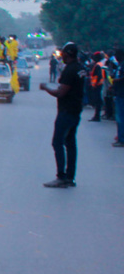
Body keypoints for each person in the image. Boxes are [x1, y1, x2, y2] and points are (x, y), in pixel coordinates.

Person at [40, 42, 86, 188]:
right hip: (76, 110)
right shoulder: (80, 69)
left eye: (63, 54)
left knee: (57, 142)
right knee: (71, 143)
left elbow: (61, 93)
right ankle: (70, 177)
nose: (62, 57)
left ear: (68, 54)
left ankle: (61, 176)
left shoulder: (70, 70)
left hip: (66, 111)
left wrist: (46, 87)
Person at [112, 49, 124, 147]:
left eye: (117, 54)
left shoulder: (123, 65)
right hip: (118, 93)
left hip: (122, 94)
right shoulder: (119, 65)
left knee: (121, 118)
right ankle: (120, 136)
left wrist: (116, 80)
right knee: (119, 118)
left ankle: (122, 139)